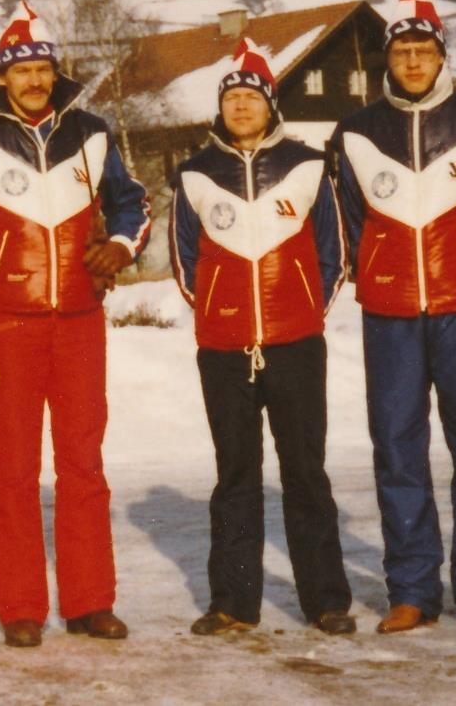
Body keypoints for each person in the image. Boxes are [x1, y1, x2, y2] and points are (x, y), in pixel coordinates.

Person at [0, 1, 151, 648]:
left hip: (80, 320)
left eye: (42, 67)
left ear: (55, 70)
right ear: (2, 76)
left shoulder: (91, 130)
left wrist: (121, 243)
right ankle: (21, 606)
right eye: (21, 69)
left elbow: (132, 200)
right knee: (13, 468)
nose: (33, 79)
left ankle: (90, 602)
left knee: (83, 463)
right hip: (7, 323)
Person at [330, 0, 456, 634]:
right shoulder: (358, 133)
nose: (413, 62)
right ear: (388, 58)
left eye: (423, 50)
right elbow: (352, 220)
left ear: (442, 56)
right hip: (389, 312)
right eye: (402, 51)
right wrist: (381, 270)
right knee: (397, 446)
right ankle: (412, 588)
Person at [169, 38, 355, 638]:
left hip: (295, 341)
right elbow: (183, 257)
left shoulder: (306, 163)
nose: (242, 107)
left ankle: (325, 600)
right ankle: (234, 602)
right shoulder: (196, 173)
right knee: (235, 474)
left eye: (252, 96)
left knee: (305, 470)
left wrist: (303, 311)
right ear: (221, 109)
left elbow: (333, 250)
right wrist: (222, 314)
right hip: (224, 350)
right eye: (233, 98)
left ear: (271, 104)